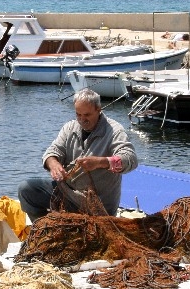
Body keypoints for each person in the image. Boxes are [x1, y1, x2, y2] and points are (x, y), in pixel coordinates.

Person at [17, 89, 138, 222]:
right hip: (67, 195)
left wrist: (101, 162)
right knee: (26, 189)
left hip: (98, 207)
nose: (82, 119)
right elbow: (53, 151)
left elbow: (130, 159)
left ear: (98, 109)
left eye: (86, 115)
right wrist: (54, 164)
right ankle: (44, 232)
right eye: (78, 114)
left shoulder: (114, 131)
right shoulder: (70, 128)